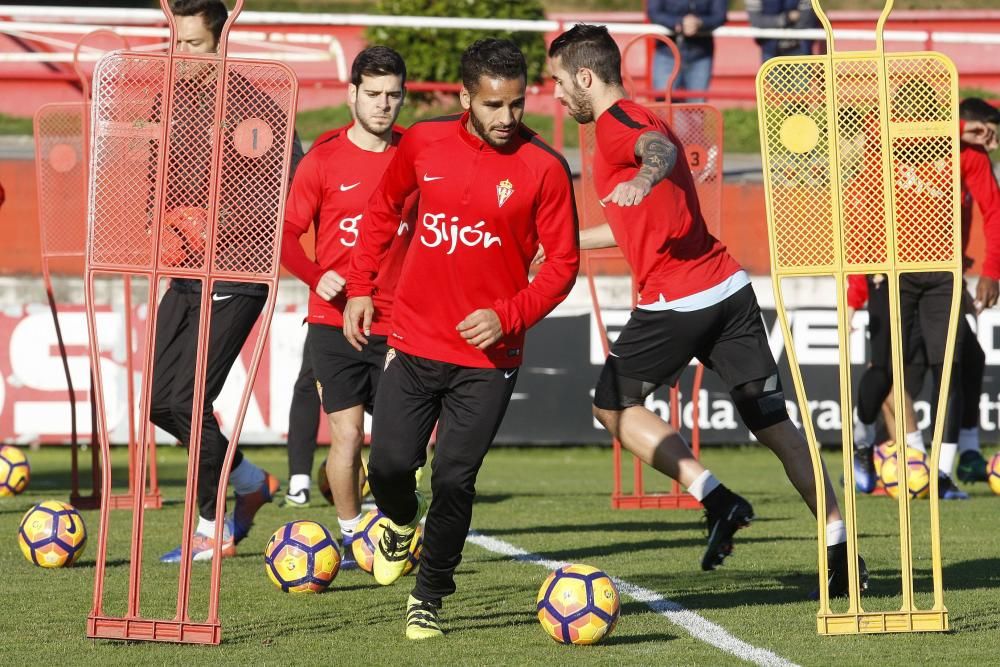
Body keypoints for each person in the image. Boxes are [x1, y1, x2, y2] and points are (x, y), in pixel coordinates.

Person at [548, 23, 864, 597]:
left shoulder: (622, 125)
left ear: (585, 78)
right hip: (728, 290)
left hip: (678, 299)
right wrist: (560, 239)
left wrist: (645, 176)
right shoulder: (643, 113)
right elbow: (634, 228)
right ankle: (840, 549)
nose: (556, 95)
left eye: (559, 82)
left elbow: (658, 153)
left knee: (611, 405)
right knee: (774, 425)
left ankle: (716, 496)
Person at [343, 39, 579, 639]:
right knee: (392, 467)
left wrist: (510, 315)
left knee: (454, 478)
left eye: (517, 104)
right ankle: (398, 521)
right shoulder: (423, 142)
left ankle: (430, 594)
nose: (507, 119)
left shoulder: (545, 168)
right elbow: (381, 210)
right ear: (465, 97)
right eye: (493, 105)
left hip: (489, 358)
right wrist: (361, 286)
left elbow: (562, 267)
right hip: (415, 341)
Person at [153, 0, 303, 562]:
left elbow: (287, 184)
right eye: (176, 41)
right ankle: (248, 480)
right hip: (184, 272)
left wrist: (223, 221)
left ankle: (212, 527)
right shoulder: (166, 100)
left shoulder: (253, 105)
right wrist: (164, 216)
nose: (181, 54)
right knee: (162, 404)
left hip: (238, 272)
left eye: (193, 44)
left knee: (193, 399)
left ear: (220, 41)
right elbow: (156, 179)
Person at [281, 45, 411, 566]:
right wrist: (319, 275)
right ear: (352, 93)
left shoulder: (416, 155)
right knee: (347, 435)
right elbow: (285, 236)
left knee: (401, 446)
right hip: (334, 321)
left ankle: (398, 518)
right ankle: (353, 533)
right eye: (374, 94)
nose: (384, 105)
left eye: (394, 95)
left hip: (400, 321)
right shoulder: (324, 158)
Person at [646, 0, 727, 102]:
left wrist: (700, 23)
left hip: (700, 55)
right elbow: (653, 12)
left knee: (696, 110)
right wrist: (679, 22)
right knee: (664, 107)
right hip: (667, 53)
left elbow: (720, 16)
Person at [282, 337, 322, 507]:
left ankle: (394, 479)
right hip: (331, 319)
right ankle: (299, 484)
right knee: (309, 384)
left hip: (385, 321)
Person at [745, 0, 816, 62]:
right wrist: (785, 19)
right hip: (769, 50)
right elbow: (756, 22)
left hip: (800, 48)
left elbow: (807, 18)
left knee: (802, 76)